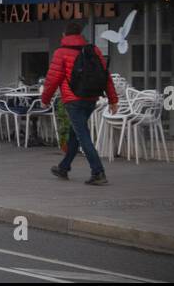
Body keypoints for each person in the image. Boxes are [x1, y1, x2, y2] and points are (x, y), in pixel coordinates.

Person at [42, 20, 119, 185]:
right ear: (80, 34)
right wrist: (113, 99)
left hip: (73, 100)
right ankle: (64, 167)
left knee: (82, 135)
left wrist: (45, 99)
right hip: (91, 98)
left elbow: (52, 79)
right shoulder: (93, 50)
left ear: (65, 34)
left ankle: (98, 172)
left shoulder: (61, 52)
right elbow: (106, 76)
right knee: (75, 133)